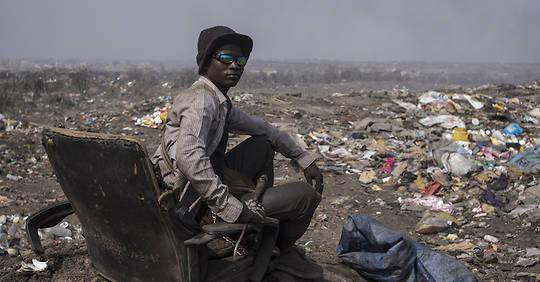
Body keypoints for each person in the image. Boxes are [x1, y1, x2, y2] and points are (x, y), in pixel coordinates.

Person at [152, 26, 323, 251]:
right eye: (225, 58)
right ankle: (269, 253)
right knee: (306, 196)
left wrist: (303, 157)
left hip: (203, 187)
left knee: (261, 144)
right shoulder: (202, 101)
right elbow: (188, 158)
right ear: (206, 63)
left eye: (240, 60)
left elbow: (264, 129)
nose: (234, 66)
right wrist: (234, 209)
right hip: (191, 204)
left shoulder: (218, 101)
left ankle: (254, 229)